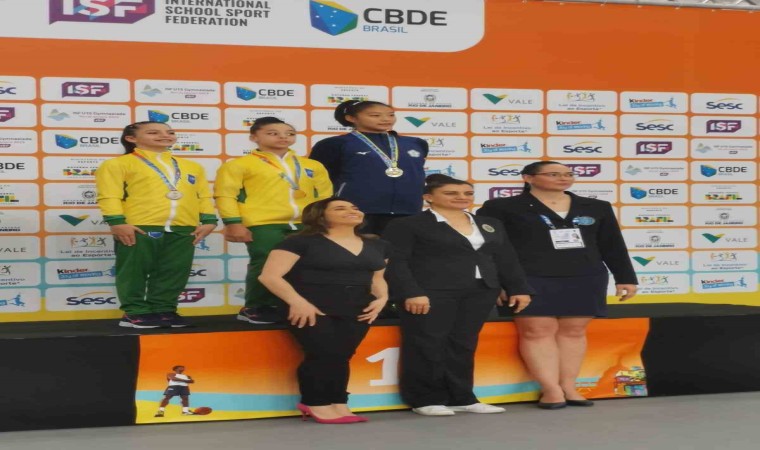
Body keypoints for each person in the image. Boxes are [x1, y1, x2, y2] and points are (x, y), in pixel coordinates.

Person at [477, 161, 638, 409]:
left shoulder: (596, 206)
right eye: (554, 174)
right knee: (536, 331)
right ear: (528, 178)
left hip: (585, 275)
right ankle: (551, 389)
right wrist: (498, 281)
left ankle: (569, 386)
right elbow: (490, 247)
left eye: (568, 174)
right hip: (527, 277)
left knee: (574, 331)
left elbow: (612, 244)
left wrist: (625, 277)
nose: (564, 178)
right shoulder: (500, 207)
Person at [383, 175, 533, 416]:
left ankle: (462, 397)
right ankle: (425, 399)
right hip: (429, 292)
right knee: (426, 343)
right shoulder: (408, 224)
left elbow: (506, 258)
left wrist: (519, 288)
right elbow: (397, 262)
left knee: (463, 344)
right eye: (451, 193)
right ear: (429, 197)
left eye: (467, 193)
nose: (461, 197)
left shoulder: (489, 223)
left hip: (480, 291)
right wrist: (411, 292)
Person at [258, 198, 389, 424]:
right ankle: (315, 402)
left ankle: (339, 401)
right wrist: (297, 302)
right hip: (310, 307)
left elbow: (377, 278)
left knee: (343, 355)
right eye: (340, 208)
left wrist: (382, 299)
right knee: (323, 353)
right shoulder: (299, 242)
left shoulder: (378, 244)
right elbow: (269, 276)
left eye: (355, 207)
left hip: (359, 308)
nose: (351, 211)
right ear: (320, 215)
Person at [96, 121, 217, 328]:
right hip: (139, 226)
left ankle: (164, 309)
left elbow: (203, 196)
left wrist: (209, 220)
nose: (165, 135)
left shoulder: (192, 166)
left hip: (183, 227)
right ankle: (135, 312)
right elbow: (109, 195)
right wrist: (117, 222)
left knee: (174, 271)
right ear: (131, 138)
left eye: (170, 132)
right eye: (153, 132)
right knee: (134, 271)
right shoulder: (117, 164)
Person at [215, 117, 332, 325]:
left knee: (307, 265)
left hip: (306, 223)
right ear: (254, 137)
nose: (283, 137)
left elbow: (325, 196)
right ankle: (256, 306)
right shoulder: (239, 165)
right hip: (263, 223)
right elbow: (225, 195)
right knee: (266, 263)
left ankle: (295, 305)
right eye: (272, 133)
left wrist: (326, 221)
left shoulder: (312, 165)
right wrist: (233, 222)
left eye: (289, 133)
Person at [309, 100, 428, 235]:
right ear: (351, 118)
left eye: (390, 115)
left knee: (399, 248)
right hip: (356, 210)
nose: (385, 119)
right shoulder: (334, 144)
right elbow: (320, 178)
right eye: (375, 115)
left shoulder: (416, 143)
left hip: (408, 209)